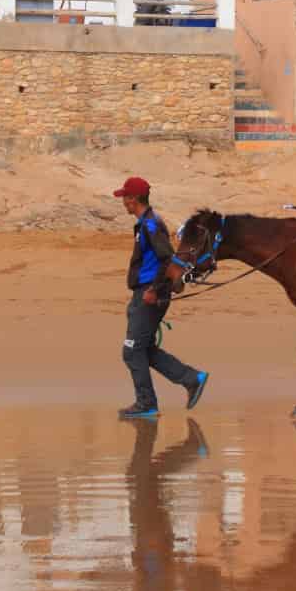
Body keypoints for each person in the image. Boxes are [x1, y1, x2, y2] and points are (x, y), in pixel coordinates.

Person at [113, 176, 209, 419]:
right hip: (144, 293)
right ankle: (191, 379)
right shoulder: (146, 223)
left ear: (133, 199)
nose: (123, 201)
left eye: (125, 197)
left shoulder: (151, 225)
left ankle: (147, 404)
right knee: (142, 348)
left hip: (150, 295)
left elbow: (168, 259)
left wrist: (154, 290)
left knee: (132, 351)